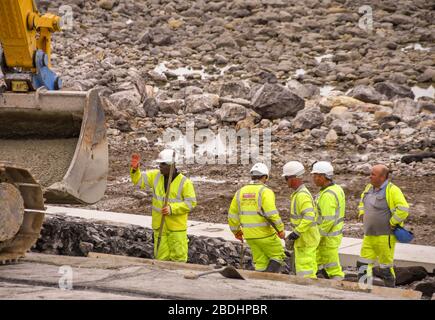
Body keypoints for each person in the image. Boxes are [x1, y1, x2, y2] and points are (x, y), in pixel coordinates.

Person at [130, 149, 197, 262]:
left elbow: (191, 203)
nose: (160, 166)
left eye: (163, 164)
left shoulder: (185, 182)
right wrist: (135, 170)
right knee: (161, 258)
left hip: (176, 228)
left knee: (179, 259)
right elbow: (138, 180)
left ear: (172, 165)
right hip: (160, 227)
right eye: (160, 163)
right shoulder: (155, 176)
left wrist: (172, 209)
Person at [357, 164, 410, 287]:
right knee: (363, 263)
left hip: (385, 237)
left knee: (385, 267)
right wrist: (361, 213)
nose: (370, 176)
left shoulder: (392, 190)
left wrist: (392, 222)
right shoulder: (368, 188)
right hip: (369, 235)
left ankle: (390, 292)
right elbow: (362, 201)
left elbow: (403, 209)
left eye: (373, 174)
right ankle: (364, 290)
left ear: (382, 177)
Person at [228, 163, 286, 273]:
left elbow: (232, 215)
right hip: (265, 235)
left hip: (249, 236)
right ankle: (268, 280)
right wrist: (280, 229)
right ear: (265, 177)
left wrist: (237, 232)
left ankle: (260, 285)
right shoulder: (265, 191)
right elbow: (271, 214)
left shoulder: (240, 192)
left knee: (260, 262)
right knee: (278, 256)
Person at [283, 161, 320, 279]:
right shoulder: (298, 194)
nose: (286, 181)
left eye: (286, 178)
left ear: (293, 178)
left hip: (306, 240)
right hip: (304, 240)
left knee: (306, 273)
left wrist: (295, 233)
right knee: (307, 269)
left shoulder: (302, 195)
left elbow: (309, 217)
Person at [311, 161, 345, 280]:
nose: (313, 179)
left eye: (315, 176)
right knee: (319, 262)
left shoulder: (327, 195)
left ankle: (337, 290)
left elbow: (328, 220)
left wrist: (317, 235)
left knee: (333, 269)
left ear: (322, 177)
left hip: (327, 238)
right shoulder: (336, 189)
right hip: (331, 236)